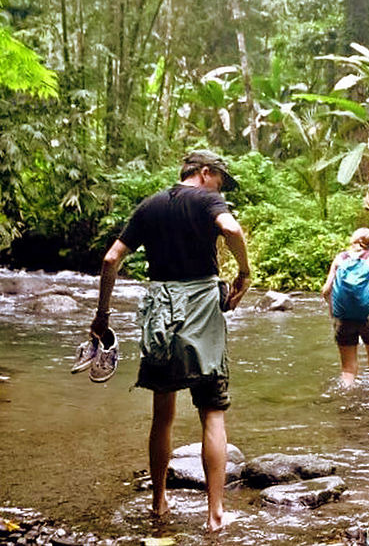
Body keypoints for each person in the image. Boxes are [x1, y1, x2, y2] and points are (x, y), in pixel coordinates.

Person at [88, 149, 251, 532]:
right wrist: (244, 271)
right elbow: (231, 230)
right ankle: (215, 515)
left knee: (163, 413)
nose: (221, 187)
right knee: (212, 411)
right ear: (206, 173)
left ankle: (159, 502)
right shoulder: (209, 199)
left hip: (161, 313)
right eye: (221, 180)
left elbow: (111, 259)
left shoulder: (150, 205)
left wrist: (102, 314)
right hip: (202, 311)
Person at [322, 228, 369, 386]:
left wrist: (333, 311)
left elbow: (326, 290)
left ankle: (347, 399)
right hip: (368, 316)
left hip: (342, 316)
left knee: (347, 370)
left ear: (352, 240)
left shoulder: (339, 259)